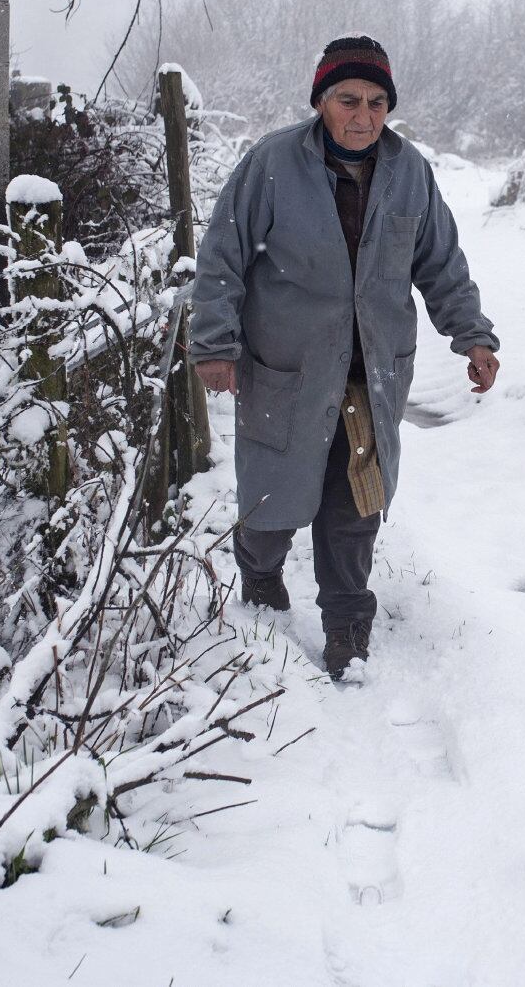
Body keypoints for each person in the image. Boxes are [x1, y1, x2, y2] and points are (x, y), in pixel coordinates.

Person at [189, 35, 500, 680]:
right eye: (348, 100)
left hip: (371, 374)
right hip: (288, 371)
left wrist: (472, 334)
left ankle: (347, 626)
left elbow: (439, 262)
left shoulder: (410, 171)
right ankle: (261, 570)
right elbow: (223, 256)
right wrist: (215, 344)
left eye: (377, 102)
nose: (363, 116)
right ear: (321, 100)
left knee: (356, 503)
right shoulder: (272, 163)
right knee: (273, 501)